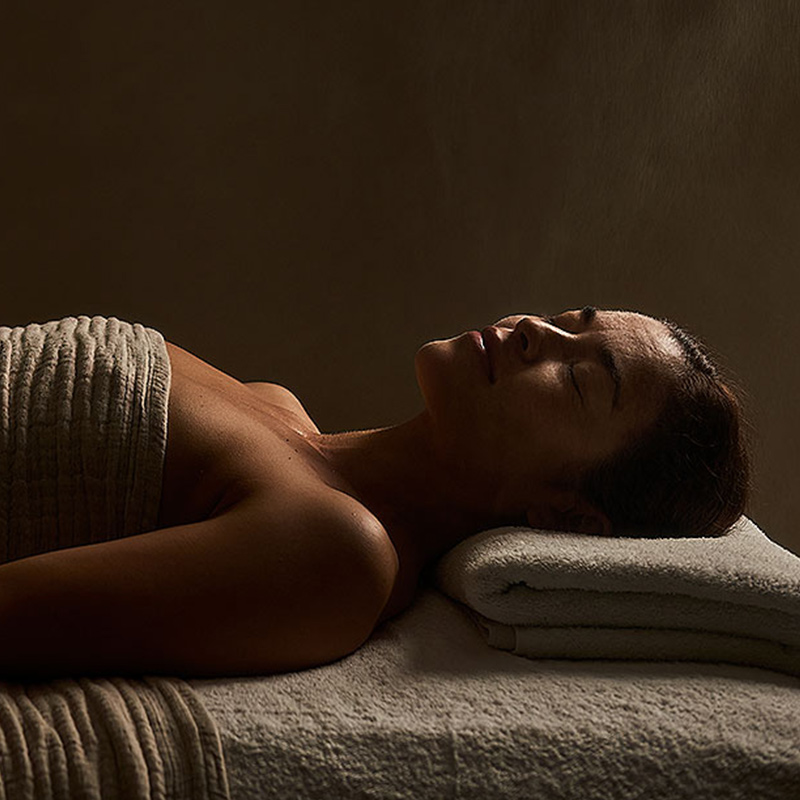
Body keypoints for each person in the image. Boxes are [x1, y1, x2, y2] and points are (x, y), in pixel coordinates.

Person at [0, 306, 749, 679]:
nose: (532, 330)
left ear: (565, 513)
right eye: (567, 320)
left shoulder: (337, 554)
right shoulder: (277, 405)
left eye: (581, 377)